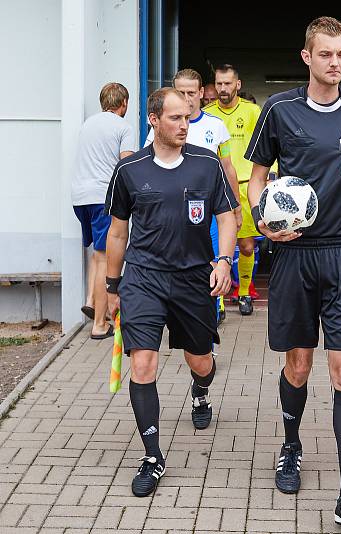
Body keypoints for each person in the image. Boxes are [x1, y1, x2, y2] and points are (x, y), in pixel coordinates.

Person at [245, 16, 341, 529]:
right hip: (295, 256)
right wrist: (263, 217)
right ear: (306, 56)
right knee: (299, 366)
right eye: (325, 54)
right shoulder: (279, 110)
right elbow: (257, 176)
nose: (335, 62)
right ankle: (290, 445)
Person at [104, 88, 238, 497]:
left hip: (193, 279)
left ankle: (200, 392)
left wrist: (224, 260)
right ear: (154, 120)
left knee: (200, 362)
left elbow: (227, 217)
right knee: (143, 365)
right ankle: (151, 456)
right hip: (144, 278)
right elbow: (117, 231)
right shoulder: (130, 170)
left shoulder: (206, 163)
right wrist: (112, 288)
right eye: (176, 117)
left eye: (188, 116)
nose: (185, 124)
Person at [145, 69, 243, 324]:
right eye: (181, 92)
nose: (187, 98)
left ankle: (216, 303)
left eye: (191, 92)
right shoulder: (161, 129)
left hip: (208, 210)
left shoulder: (216, 126)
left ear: (201, 93)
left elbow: (228, 167)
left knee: (213, 259)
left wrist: (236, 207)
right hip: (172, 214)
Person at [71, 82, 136, 339]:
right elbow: (127, 163)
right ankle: (99, 324)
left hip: (80, 197)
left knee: (96, 254)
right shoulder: (123, 127)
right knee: (106, 257)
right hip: (102, 197)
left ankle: (90, 299)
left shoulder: (87, 124)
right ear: (124, 104)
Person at [204, 64, 264, 316]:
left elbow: (266, 146)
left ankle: (244, 293)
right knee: (213, 248)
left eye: (228, 83)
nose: (223, 89)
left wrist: (270, 175)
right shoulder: (207, 113)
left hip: (244, 184)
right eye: (219, 84)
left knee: (247, 246)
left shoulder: (252, 111)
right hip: (215, 189)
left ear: (237, 84)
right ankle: (216, 299)